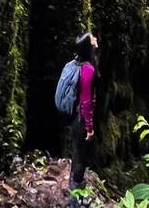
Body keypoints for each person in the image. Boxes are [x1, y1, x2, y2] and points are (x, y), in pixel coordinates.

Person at [69, 32, 98, 205]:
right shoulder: (87, 69)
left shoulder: (79, 62)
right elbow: (86, 101)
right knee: (81, 158)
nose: (96, 39)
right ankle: (75, 200)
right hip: (81, 118)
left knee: (77, 155)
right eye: (93, 38)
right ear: (89, 46)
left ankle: (76, 194)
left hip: (76, 116)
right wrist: (89, 127)